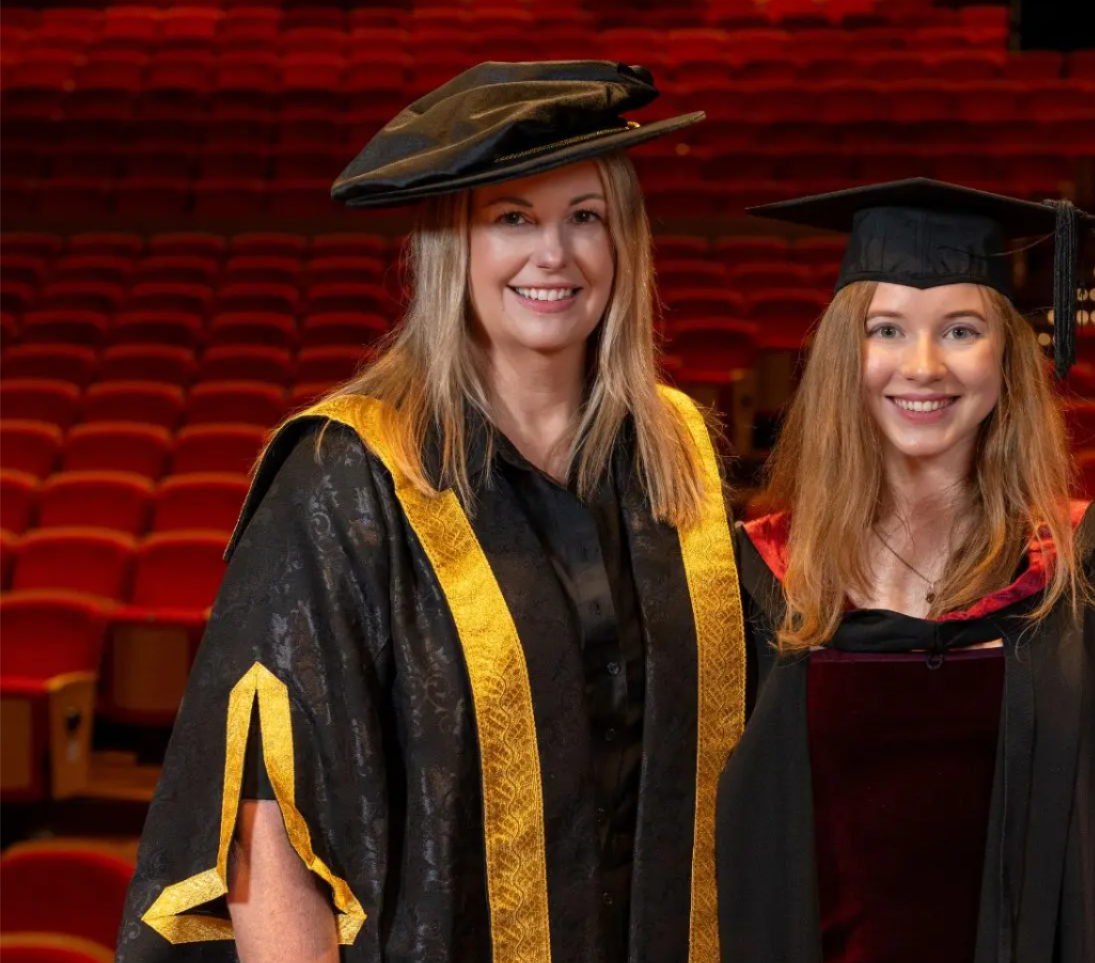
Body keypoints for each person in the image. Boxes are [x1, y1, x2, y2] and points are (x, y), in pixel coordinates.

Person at [116, 62, 745, 963]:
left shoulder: (676, 457)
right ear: (454, 245)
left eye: (585, 216)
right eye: (513, 218)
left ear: (626, 243)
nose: (553, 255)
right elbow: (267, 832)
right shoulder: (347, 479)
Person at [715, 178, 1095, 963]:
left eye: (962, 329)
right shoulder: (761, 575)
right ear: (848, 353)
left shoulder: (1080, 569)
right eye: (887, 329)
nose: (924, 364)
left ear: (1007, 354)